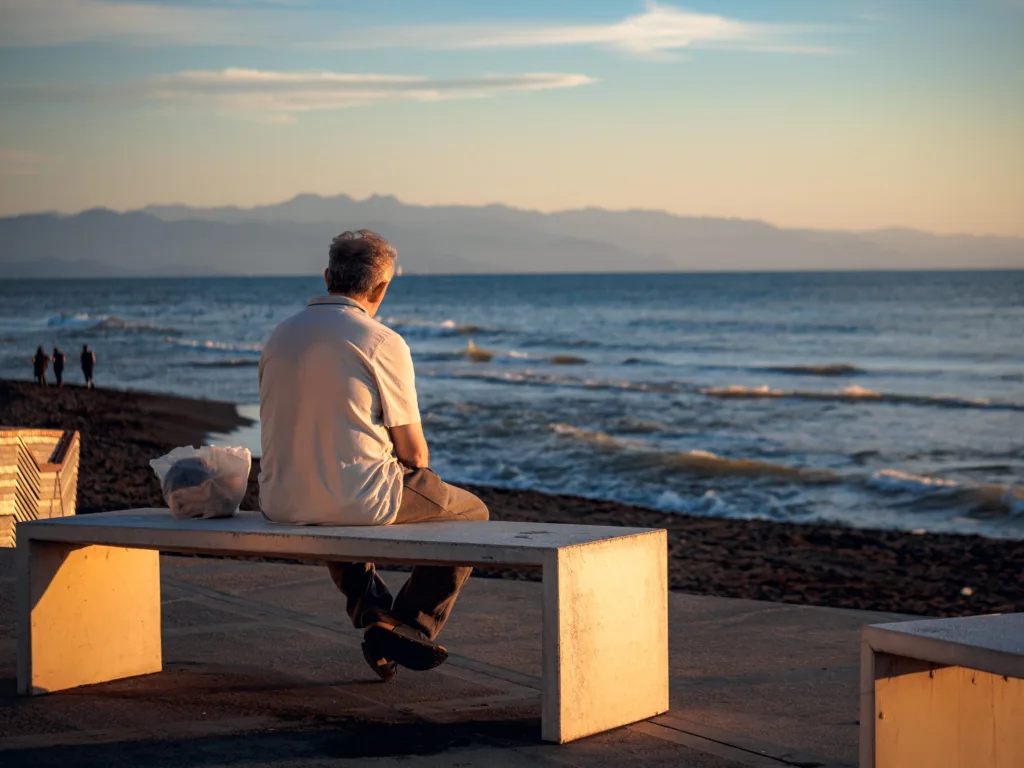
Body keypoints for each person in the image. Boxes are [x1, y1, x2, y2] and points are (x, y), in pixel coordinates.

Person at [258, 230, 488, 682]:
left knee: (334, 497)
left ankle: (372, 612)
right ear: (381, 288)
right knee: (472, 515)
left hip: (280, 500)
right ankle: (411, 623)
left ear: (327, 277)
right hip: (355, 499)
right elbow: (414, 452)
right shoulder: (381, 341)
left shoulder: (278, 336)